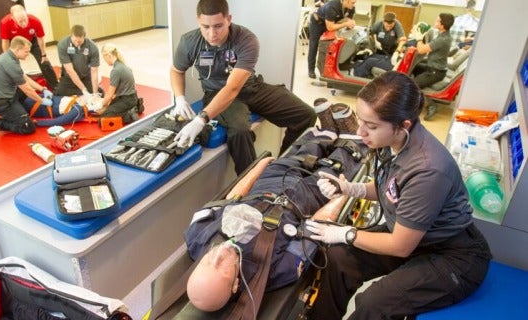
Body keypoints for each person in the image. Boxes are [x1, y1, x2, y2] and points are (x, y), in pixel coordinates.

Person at [306, 71, 492, 319]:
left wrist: (345, 232)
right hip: (415, 236)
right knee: (338, 258)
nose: (361, 132)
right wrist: (351, 188)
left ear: (403, 125)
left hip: (452, 256)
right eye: (360, 120)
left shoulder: (428, 169)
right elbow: (390, 188)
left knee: (374, 303)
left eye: (371, 126)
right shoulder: (394, 144)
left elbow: (400, 246)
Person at [184, 126, 368, 312]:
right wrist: (343, 194)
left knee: (306, 149)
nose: (219, 255)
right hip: (307, 199)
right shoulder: (275, 272)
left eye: (207, 262)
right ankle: (349, 135)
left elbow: (231, 199)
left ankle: (326, 131)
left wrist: (258, 168)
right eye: (222, 268)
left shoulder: (197, 236)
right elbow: (314, 228)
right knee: (340, 162)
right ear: (235, 285)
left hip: (268, 183)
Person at [170, 0, 317, 175]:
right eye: (206, 27)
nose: (212, 34)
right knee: (240, 132)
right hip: (216, 94)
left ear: (229, 19)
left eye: (218, 26)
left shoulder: (246, 39)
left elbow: (233, 88)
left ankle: (282, 166)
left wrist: (201, 119)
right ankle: (250, 183)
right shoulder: (189, 42)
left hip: (250, 88)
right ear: (198, 21)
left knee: (306, 116)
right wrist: (179, 98)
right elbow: (176, 70)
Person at [0, 36, 53, 135]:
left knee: (25, 91)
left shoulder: (10, 56)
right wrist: (41, 100)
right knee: (28, 127)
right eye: (26, 52)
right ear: (18, 49)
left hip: (1, 95)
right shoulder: (10, 63)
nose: (28, 55)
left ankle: (15, 112)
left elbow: (23, 77)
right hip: (0, 102)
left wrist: (43, 89)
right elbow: (27, 89)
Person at [0, 4, 58, 91]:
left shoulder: (35, 21)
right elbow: (5, 42)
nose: (24, 24)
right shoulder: (5, 22)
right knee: (12, 66)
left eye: (25, 20)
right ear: (13, 19)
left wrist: (44, 54)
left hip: (31, 40)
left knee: (44, 62)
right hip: (14, 42)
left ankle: (55, 86)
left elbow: (40, 39)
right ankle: (17, 87)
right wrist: (7, 58)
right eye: (20, 21)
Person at [410, 13, 454, 120]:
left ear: (442, 25)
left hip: (436, 71)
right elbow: (430, 45)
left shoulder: (443, 39)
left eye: (437, 20)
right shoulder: (443, 35)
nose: (435, 21)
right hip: (433, 67)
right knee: (415, 67)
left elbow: (421, 49)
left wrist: (419, 39)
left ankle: (431, 105)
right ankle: (418, 93)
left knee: (413, 85)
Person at [0, 94, 92, 128]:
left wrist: (36, 123)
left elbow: (58, 121)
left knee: (8, 111)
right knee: (10, 104)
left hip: (37, 107)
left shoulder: (78, 110)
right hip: (39, 100)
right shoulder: (79, 102)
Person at [307, 0, 357, 79]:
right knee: (314, 45)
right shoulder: (332, 6)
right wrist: (345, 24)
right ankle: (311, 70)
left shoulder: (351, 8)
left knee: (329, 46)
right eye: (353, 2)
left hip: (331, 23)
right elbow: (330, 27)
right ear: (346, 1)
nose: (354, 5)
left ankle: (324, 68)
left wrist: (351, 24)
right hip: (317, 22)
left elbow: (348, 21)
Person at [351, 12, 407, 78]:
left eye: (390, 26)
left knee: (370, 61)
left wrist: (397, 51)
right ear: (383, 22)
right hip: (380, 49)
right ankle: (356, 68)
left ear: (394, 23)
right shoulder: (378, 24)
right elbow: (371, 32)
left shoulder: (397, 25)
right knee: (369, 57)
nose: (388, 28)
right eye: (387, 26)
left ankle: (355, 74)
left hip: (392, 52)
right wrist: (375, 41)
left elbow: (402, 40)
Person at [96, 43, 140, 124]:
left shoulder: (116, 71)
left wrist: (100, 105)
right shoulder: (122, 66)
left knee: (102, 120)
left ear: (108, 56)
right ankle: (133, 108)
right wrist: (106, 106)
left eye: (104, 58)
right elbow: (114, 94)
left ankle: (129, 114)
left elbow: (110, 94)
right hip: (131, 97)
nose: (104, 61)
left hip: (126, 100)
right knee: (108, 109)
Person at [55, 25, 101, 97]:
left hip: (85, 77)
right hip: (69, 77)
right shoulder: (63, 44)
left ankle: (89, 92)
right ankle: (81, 91)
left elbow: (94, 71)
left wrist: (95, 93)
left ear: (84, 37)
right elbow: (70, 70)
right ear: (71, 36)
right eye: (74, 41)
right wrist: (84, 90)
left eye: (79, 42)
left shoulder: (92, 47)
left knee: (98, 94)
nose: (76, 44)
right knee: (58, 93)